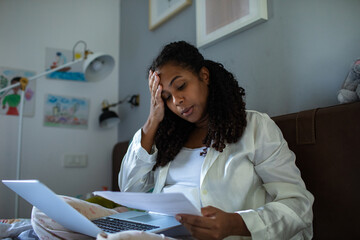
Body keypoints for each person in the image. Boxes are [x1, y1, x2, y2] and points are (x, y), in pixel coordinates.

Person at [118, 41, 314, 240]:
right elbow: (130, 188)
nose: (177, 101)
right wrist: (153, 119)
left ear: (204, 76)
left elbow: (298, 206)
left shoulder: (255, 127)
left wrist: (236, 224)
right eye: (166, 97)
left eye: (181, 86)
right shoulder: (169, 141)